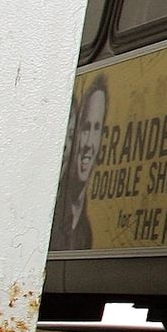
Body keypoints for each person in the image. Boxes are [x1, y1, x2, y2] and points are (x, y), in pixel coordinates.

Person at [50, 76, 108, 251]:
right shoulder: (52, 217)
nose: (89, 144)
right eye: (85, 129)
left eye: (97, 128)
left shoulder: (85, 228)